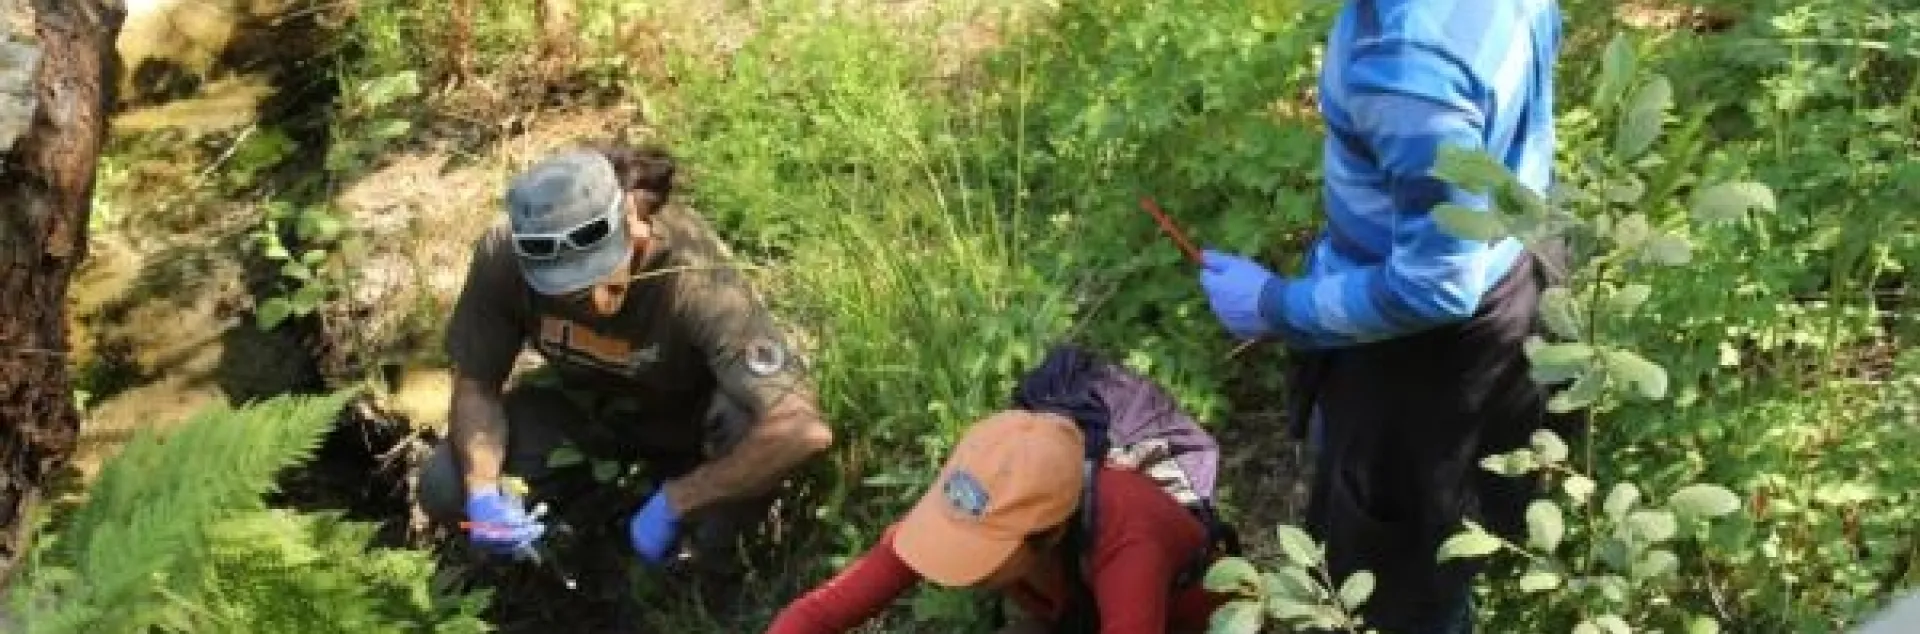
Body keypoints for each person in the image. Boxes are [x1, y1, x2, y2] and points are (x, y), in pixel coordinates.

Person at [1193, 1, 1571, 632]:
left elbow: (1434, 287)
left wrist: (1274, 305)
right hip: (1519, 259)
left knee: (1402, 580)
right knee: (1454, 531)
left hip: (1428, 354)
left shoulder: (1407, 62)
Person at [414, 143, 835, 598]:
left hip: (691, 427)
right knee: (445, 485)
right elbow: (477, 385)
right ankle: (562, 559)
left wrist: (679, 500)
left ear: (632, 225)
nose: (588, 300)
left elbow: (802, 430)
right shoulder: (505, 255)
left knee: (745, 417)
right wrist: (482, 491)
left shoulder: (694, 278)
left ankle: (707, 575)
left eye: (596, 276)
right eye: (567, 290)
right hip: (588, 411)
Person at [764, 409, 1230, 634]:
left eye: (984, 549)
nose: (959, 562)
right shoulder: (972, 498)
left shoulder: (1130, 542)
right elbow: (822, 611)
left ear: (1051, 533)